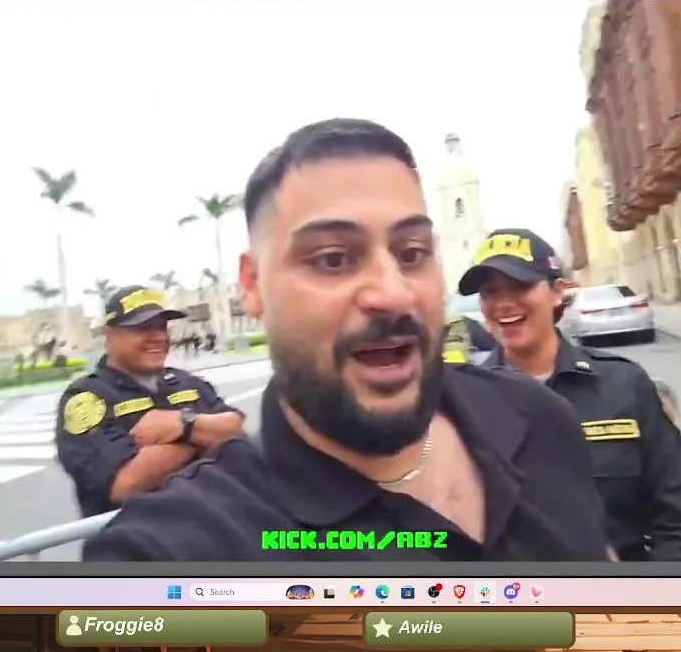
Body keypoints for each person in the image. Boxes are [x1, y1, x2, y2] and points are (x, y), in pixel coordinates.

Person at [83, 119, 613, 561]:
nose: (393, 293)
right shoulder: (175, 555)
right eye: (333, 259)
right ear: (253, 285)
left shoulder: (539, 418)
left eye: (412, 253)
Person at [454, 228, 681, 562]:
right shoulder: (463, 403)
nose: (504, 304)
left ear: (558, 292)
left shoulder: (624, 386)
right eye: (490, 292)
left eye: (520, 286)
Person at [55, 285, 246, 518]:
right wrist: (201, 437)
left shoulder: (186, 382)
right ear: (111, 335)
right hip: (140, 537)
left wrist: (183, 424)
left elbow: (237, 432)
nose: (158, 337)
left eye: (161, 327)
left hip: (214, 525)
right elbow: (125, 483)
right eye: (142, 328)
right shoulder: (86, 398)